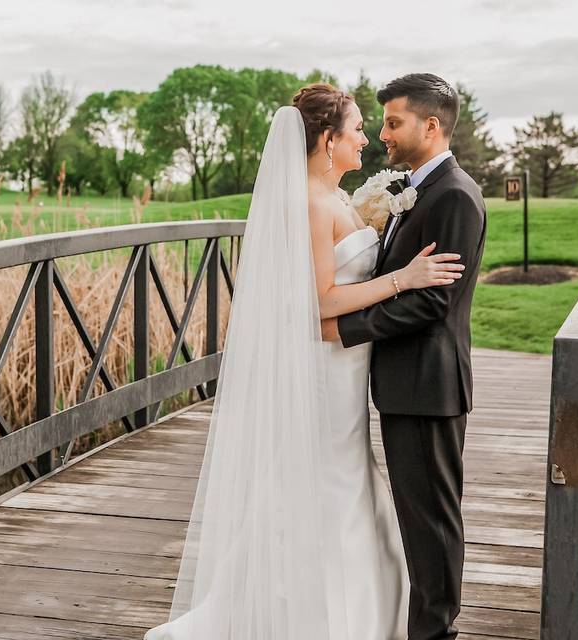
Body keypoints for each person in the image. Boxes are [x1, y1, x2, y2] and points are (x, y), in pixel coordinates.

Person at [145, 82, 466, 640]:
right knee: (326, 479)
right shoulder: (312, 204)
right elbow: (321, 301)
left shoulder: (340, 197)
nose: (367, 137)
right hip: (328, 368)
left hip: (350, 368)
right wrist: (403, 278)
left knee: (345, 477)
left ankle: (368, 608)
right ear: (326, 139)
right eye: (358, 129)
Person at [322, 73, 487, 640]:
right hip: (404, 383)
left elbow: (432, 304)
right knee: (419, 518)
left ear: (431, 125)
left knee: (432, 522)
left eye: (393, 122)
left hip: (428, 385)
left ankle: (437, 633)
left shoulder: (454, 196)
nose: (384, 134)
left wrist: (345, 327)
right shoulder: (417, 189)